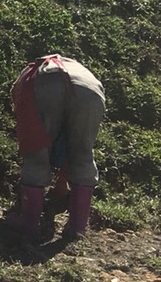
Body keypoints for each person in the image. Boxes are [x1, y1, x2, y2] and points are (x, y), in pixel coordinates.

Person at [8, 52, 106, 239]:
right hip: (90, 90)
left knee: (36, 154)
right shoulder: (80, 68)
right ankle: (77, 227)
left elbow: (32, 139)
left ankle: (28, 223)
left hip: (46, 86)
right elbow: (68, 144)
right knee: (83, 153)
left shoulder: (26, 78)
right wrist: (61, 186)